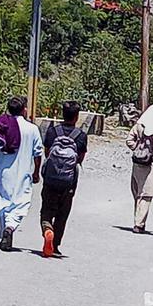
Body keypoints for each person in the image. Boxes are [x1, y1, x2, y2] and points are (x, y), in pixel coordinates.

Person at [0, 96, 43, 251]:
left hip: (3, 172)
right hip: (23, 173)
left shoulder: (1, 125)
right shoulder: (32, 129)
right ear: (24, 109)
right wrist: (36, 172)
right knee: (21, 203)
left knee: (4, 201)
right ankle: (10, 229)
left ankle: (4, 236)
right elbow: (38, 153)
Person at [40, 101, 88, 257]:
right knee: (63, 212)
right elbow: (80, 158)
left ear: (62, 114)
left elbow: (47, 153)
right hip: (69, 181)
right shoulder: (81, 136)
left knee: (47, 209)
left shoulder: (53, 131)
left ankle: (47, 228)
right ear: (76, 117)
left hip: (50, 179)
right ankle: (55, 244)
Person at [126, 105, 153, 234]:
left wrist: (139, 149)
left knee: (137, 192)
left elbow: (129, 140)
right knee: (146, 194)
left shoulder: (139, 125)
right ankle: (139, 224)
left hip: (138, 163)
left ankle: (137, 219)